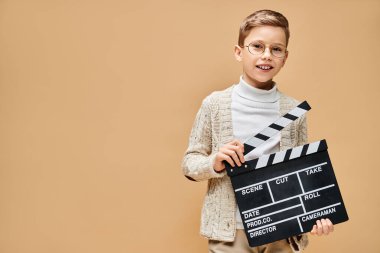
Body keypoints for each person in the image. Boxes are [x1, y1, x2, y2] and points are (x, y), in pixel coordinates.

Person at [181, 9, 334, 253]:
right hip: (232, 231)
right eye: (257, 46)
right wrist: (215, 162)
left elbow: (304, 171)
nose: (266, 55)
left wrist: (317, 213)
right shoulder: (215, 104)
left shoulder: (294, 110)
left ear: (285, 57)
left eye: (276, 49)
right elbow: (189, 164)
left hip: (283, 227)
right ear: (238, 52)